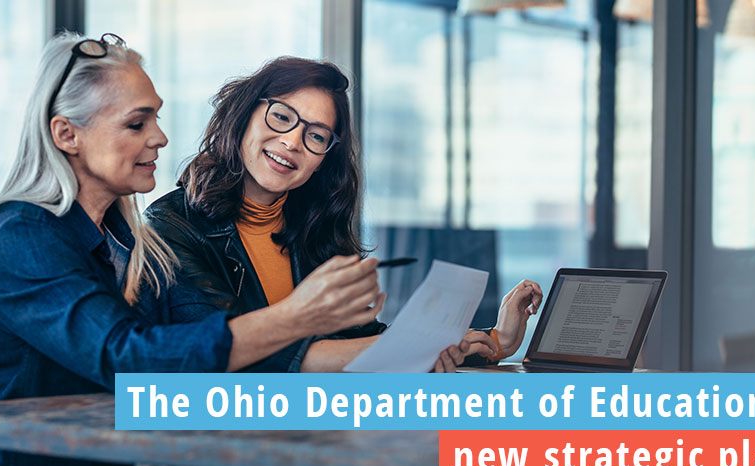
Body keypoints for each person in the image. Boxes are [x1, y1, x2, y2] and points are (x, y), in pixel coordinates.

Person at [0, 34, 480, 466]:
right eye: (137, 123)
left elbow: (194, 360)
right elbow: (131, 362)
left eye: (156, 117)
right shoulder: (18, 235)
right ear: (66, 135)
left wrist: (424, 345)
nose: (160, 137)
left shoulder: (128, 242)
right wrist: (300, 316)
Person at [145, 56, 543, 373]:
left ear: (323, 159)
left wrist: (491, 342)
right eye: (282, 117)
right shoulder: (171, 226)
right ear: (244, 114)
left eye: (316, 135)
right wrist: (406, 348)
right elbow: (238, 352)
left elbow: (360, 341)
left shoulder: (314, 227)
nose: (292, 142)